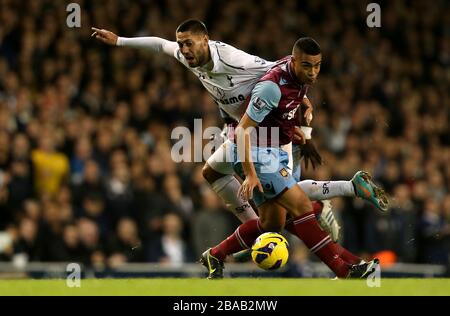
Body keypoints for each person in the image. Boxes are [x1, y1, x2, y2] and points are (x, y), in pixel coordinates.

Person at [91, 19, 388, 242]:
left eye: (189, 43)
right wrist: (119, 41)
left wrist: (304, 101)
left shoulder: (234, 60)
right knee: (219, 175)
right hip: (242, 127)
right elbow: (159, 44)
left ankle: (338, 196)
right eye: (181, 44)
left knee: (281, 198)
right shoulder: (186, 56)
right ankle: (266, 228)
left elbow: (281, 71)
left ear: (206, 40)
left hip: (267, 127)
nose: (183, 50)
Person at [200, 37, 379, 279]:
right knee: (301, 206)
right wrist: (250, 173)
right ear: (293, 61)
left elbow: (291, 107)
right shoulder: (270, 87)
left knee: (273, 223)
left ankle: (216, 254)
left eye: (317, 66)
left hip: (271, 149)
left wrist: (305, 135)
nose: (313, 72)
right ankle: (344, 269)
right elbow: (242, 130)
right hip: (257, 152)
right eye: (307, 66)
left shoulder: (299, 77)